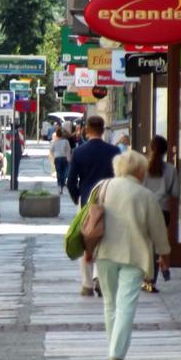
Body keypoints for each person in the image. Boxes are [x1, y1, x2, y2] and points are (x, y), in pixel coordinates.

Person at [92, 151, 171, 360]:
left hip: (105, 252)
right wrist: (164, 255)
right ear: (138, 170)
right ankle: (116, 354)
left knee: (110, 302)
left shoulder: (102, 188)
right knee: (126, 304)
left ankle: (114, 349)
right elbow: (157, 230)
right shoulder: (145, 195)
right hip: (134, 255)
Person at [67, 115, 121, 297]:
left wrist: (77, 198)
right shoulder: (114, 151)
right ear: (103, 130)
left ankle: (87, 284)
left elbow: (71, 181)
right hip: (110, 200)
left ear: (87, 130)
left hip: (87, 201)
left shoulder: (79, 152)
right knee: (106, 239)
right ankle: (101, 278)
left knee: (87, 239)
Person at [142, 136, 179, 293]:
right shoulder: (171, 169)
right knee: (156, 245)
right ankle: (152, 280)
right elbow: (175, 192)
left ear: (150, 149)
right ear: (165, 151)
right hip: (162, 211)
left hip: (143, 209)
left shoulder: (142, 168)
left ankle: (145, 278)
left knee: (145, 245)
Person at [50, 128, 71, 194]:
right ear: (62, 135)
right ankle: (63, 182)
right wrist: (68, 157)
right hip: (64, 158)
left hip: (57, 158)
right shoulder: (66, 141)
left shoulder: (54, 142)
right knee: (65, 172)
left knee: (59, 172)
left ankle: (60, 186)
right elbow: (68, 150)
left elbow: (51, 150)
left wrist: (54, 155)